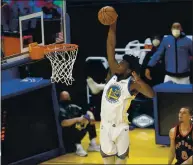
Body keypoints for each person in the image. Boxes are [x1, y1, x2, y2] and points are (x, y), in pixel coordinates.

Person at [99, 12, 154, 164]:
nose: (118, 63)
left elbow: (151, 95)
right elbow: (110, 46)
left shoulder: (132, 83)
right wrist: (113, 23)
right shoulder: (112, 75)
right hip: (105, 126)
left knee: (120, 162)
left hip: (121, 127)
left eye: (122, 63)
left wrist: (139, 79)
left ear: (129, 70)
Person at [59, 91, 100, 157]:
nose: (66, 98)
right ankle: (78, 148)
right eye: (64, 97)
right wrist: (77, 119)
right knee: (73, 124)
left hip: (75, 133)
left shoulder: (73, 106)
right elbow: (63, 123)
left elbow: (86, 112)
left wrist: (90, 116)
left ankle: (93, 144)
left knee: (88, 119)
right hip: (66, 139)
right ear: (60, 98)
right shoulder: (60, 108)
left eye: (67, 96)